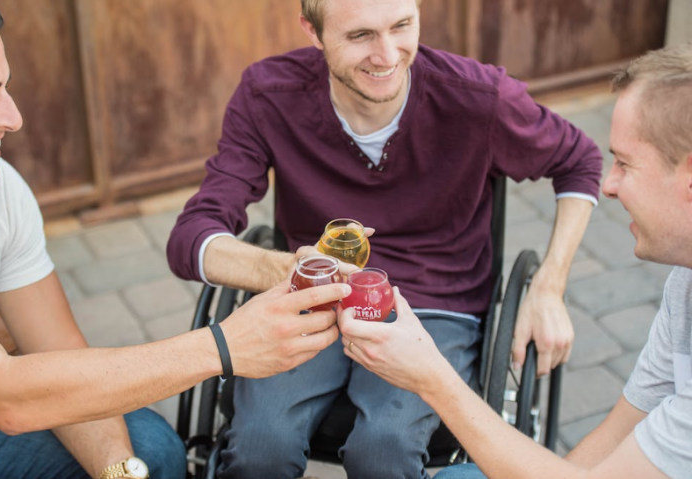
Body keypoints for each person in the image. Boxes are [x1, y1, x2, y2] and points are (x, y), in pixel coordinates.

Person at [0, 1, 349, 479]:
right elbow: (6, 396)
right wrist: (225, 346)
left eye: (5, 88)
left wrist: (118, 472)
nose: (13, 117)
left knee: (149, 451)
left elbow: (57, 349)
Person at [166, 0, 602, 476]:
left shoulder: (477, 97)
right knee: (256, 447)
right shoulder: (269, 93)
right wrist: (281, 268)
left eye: (402, 26)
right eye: (360, 36)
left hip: (437, 303)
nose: (388, 54)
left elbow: (578, 161)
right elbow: (190, 238)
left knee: (383, 449)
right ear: (312, 32)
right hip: (315, 297)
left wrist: (550, 285)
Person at [338, 42, 692, 479]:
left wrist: (430, 374)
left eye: (624, 163)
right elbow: (621, 431)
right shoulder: (685, 281)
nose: (610, 184)